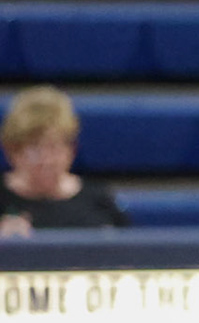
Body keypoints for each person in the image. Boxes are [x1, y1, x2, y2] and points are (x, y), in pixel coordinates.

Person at [0, 85, 128, 236]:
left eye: (54, 148)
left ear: (71, 150)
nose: (46, 160)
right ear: (12, 151)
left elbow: (129, 255)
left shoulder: (99, 202)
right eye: (34, 150)